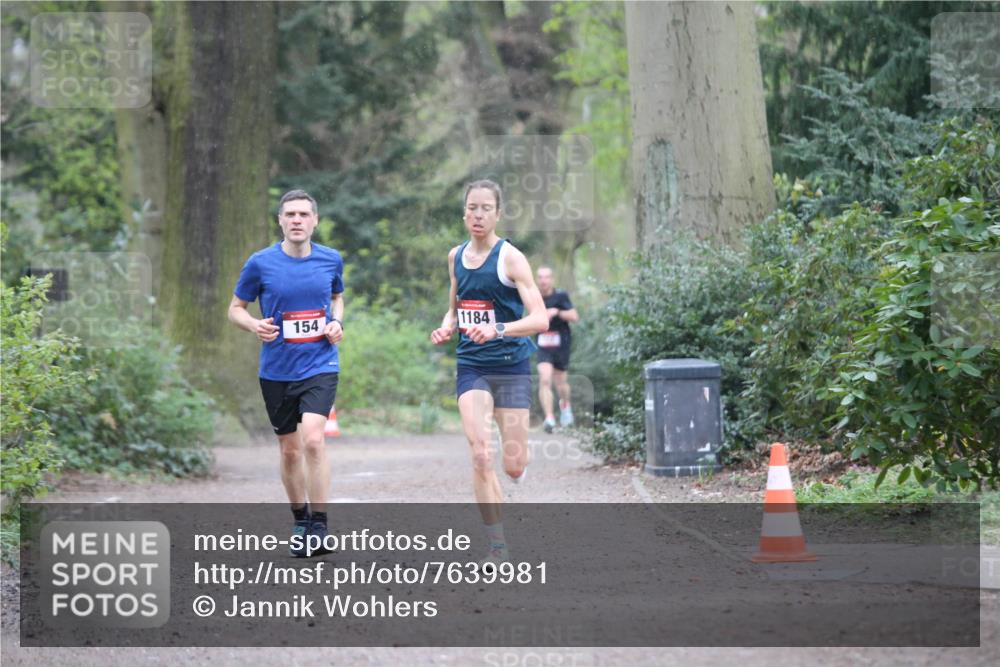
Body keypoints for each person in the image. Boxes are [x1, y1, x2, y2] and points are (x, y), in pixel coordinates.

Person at [430, 179, 548, 564]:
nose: (477, 215)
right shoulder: (455, 257)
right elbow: (456, 306)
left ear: (498, 214)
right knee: (481, 454)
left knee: (513, 464)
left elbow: (540, 319)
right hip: (472, 366)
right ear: (464, 213)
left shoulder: (511, 258)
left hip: (512, 366)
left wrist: (498, 328)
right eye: (471, 208)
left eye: (485, 208)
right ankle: (497, 544)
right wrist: (448, 324)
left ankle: (515, 472)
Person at [228, 189, 344, 558]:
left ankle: (321, 527)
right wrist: (252, 326)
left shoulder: (330, 260)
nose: (297, 220)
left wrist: (336, 322)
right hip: (277, 369)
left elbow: (338, 296)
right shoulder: (260, 263)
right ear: (280, 221)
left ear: (315, 221)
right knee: (290, 449)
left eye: (304, 214)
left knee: (313, 439)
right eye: (290, 214)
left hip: (320, 363)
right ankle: (300, 520)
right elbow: (235, 308)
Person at [534, 266, 579, 432]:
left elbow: (574, 317)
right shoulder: (534, 297)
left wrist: (557, 312)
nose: (544, 280)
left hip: (561, 344)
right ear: (537, 279)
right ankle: (549, 418)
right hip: (543, 344)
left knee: (561, 383)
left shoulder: (561, 296)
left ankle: (565, 406)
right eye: (540, 277)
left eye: (547, 277)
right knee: (545, 379)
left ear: (552, 279)